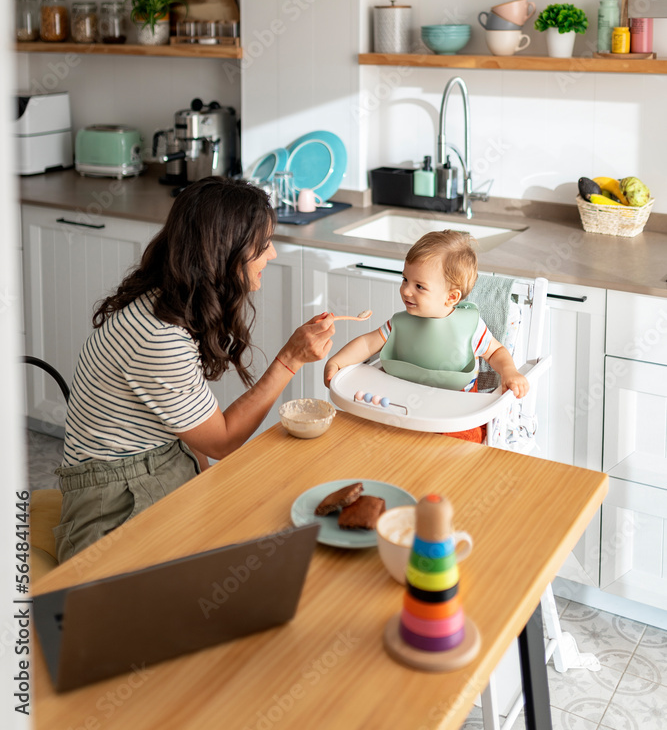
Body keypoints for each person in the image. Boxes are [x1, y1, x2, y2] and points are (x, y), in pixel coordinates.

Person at [54, 177, 335, 563]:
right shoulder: (159, 338)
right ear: (225, 253)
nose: (271, 255)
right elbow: (220, 442)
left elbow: (187, 436)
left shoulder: (164, 299)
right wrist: (291, 359)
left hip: (160, 460)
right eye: (263, 245)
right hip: (111, 501)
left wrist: (206, 485)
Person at [323, 230, 528, 443]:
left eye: (419, 286)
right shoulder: (400, 324)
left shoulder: (469, 327)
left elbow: (496, 351)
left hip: (454, 413)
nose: (406, 291)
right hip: (405, 404)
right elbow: (367, 344)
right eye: (405, 280)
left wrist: (509, 372)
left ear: (451, 297)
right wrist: (338, 362)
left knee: (462, 444)